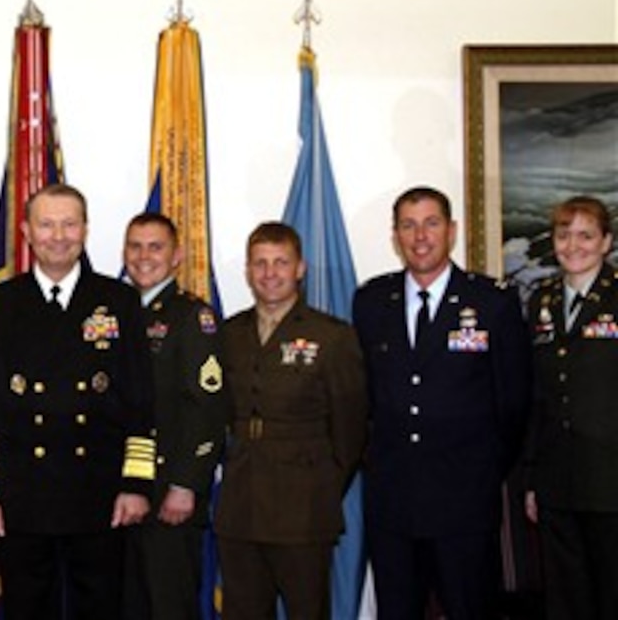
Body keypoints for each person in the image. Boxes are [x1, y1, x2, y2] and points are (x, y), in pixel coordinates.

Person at [0, 184, 155, 620]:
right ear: (28, 231)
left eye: (69, 224)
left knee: (102, 609)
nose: (58, 235)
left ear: (85, 231)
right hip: (21, 497)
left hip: (100, 494)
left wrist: (135, 484)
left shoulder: (118, 302)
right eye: (47, 224)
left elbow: (140, 402)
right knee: (28, 609)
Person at [353, 186, 532, 618]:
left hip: (464, 502)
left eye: (431, 223)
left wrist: (485, 468)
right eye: (408, 226)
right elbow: (364, 398)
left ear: (451, 231)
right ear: (395, 236)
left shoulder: (492, 303)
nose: (420, 236)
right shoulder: (372, 301)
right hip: (394, 503)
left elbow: (513, 403)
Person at [214, 222, 367, 619]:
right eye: (260, 263)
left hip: (303, 509)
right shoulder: (229, 333)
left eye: (281, 262)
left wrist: (321, 487)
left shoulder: (332, 336)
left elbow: (350, 431)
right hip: (241, 507)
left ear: (300, 268)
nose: (270, 273)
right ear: (248, 271)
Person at [120, 212, 226, 620]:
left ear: (177, 255)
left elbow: (207, 408)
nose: (144, 256)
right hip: (120, 492)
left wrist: (186, 484)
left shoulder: (191, 318)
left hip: (169, 492)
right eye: (135, 246)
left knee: (168, 604)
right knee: (128, 605)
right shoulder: (114, 315)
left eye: (155, 247)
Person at [522, 195, 618, 619]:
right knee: (564, 596)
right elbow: (535, 397)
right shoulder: (539, 301)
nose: (573, 245)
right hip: (557, 477)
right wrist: (531, 476)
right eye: (564, 235)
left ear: (606, 243)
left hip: (611, 476)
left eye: (585, 235)